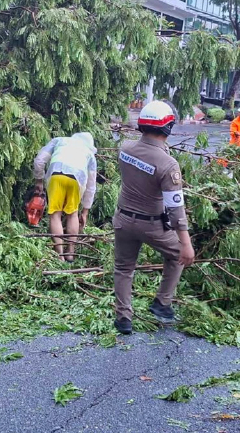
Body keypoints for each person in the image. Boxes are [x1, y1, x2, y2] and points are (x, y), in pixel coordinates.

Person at [112, 101, 196, 335]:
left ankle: (123, 318)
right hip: (152, 224)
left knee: (123, 268)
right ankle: (162, 302)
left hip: (123, 220)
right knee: (178, 255)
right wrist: (186, 244)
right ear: (168, 127)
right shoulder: (168, 165)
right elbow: (175, 208)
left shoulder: (125, 149)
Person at [33, 132, 98, 261]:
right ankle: (70, 253)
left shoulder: (59, 141)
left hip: (56, 176)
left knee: (55, 214)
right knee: (73, 214)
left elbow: (39, 160)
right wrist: (85, 211)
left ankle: (60, 255)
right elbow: (91, 186)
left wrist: (39, 180)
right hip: (77, 180)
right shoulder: (90, 155)